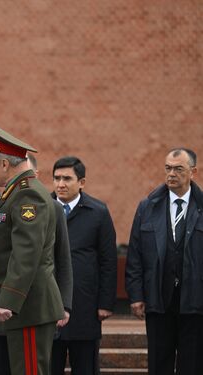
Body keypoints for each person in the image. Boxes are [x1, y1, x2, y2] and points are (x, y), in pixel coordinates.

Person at [0, 120, 63, 375]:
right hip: (25, 307)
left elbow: (26, 252)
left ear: (5, 164)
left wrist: (9, 299)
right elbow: (1, 250)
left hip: (29, 307)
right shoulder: (15, 193)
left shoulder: (28, 195)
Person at [126, 147, 203, 375]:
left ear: (193, 172)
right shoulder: (148, 207)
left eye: (178, 169)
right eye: (168, 168)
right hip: (158, 299)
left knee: (193, 364)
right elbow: (135, 256)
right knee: (159, 363)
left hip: (195, 302)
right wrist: (136, 295)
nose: (171, 174)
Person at [51, 156, 117, 375]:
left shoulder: (97, 212)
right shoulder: (41, 209)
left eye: (67, 178)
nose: (60, 184)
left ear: (82, 182)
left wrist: (105, 302)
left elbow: (108, 260)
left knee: (85, 367)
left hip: (85, 306)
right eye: (57, 178)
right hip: (48, 304)